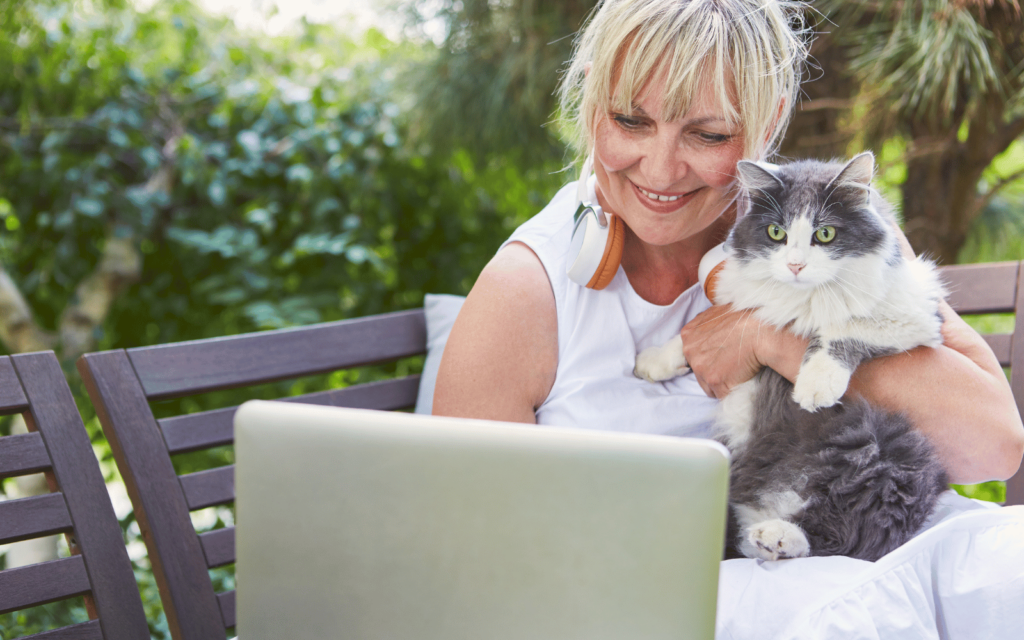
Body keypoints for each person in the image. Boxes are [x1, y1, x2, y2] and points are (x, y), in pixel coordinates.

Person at [433, 0, 1023, 489]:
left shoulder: (831, 234)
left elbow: (991, 449)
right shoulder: (524, 288)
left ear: (766, 130)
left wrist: (768, 336)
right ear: (591, 108)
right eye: (630, 122)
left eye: (708, 134)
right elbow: (463, 544)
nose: (661, 171)